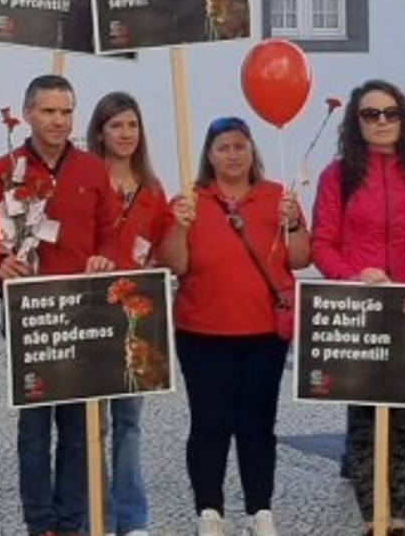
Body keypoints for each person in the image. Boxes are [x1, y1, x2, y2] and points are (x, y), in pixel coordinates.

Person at [310, 79, 405, 535]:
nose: (382, 122)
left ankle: (399, 518)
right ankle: (373, 517)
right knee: (366, 420)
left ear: (404, 117)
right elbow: (322, 243)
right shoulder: (339, 175)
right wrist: (352, 276)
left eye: (390, 112)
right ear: (357, 122)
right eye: (371, 114)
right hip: (362, 309)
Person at [0, 74, 118, 536]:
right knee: (35, 427)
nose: (58, 121)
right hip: (31, 314)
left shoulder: (93, 170)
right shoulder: (3, 171)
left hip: (83, 313)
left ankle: (72, 521)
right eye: (48, 111)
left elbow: (110, 236)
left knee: (80, 430)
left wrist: (106, 258)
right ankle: (40, 524)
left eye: (66, 112)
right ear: (28, 113)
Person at [163, 116, 307, 536]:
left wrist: (293, 222)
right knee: (209, 423)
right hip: (201, 332)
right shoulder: (191, 200)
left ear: (252, 151)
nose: (232, 154)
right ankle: (209, 510)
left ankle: (260, 509)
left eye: (240, 146)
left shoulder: (277, 197)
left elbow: (299, 259)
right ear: (208, 154)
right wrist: (179, 225)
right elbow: (176, 263)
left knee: (258, 424)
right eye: (223, 147)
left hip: (263, 333)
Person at [85, 92, 167, 536]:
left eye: (132, 125)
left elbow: (165, 248)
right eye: (116, 125)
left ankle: (132, 517)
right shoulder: (86, 181)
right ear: (100, 131)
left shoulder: (153, 190)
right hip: (92, 311)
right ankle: (98, 513)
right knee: (91, 423)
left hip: (136, 316)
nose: (125, 134)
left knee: (129, 422)